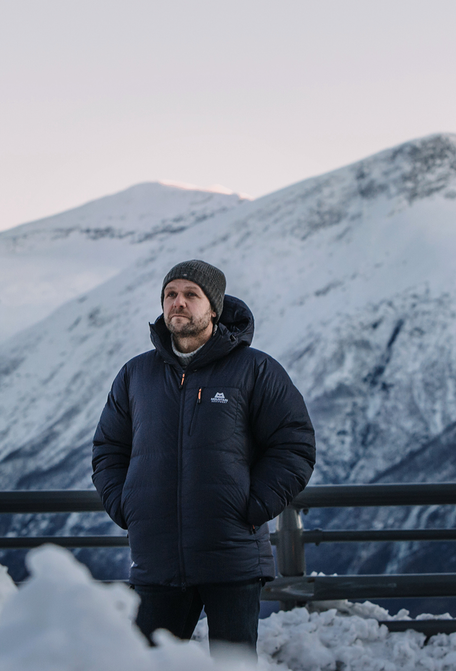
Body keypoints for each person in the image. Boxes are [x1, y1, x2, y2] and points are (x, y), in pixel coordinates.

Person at [92, 259, 316, 656]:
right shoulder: (135, 375)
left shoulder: (255, 369)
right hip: (157, 558)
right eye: (170, 295)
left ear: (213, 307)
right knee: (147, 664)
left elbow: (293, 444)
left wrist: (252, 506)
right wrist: (126, 506)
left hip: (231, 557)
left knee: (232, 666)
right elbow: (109, 449)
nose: (178, 303)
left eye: (190, 295)